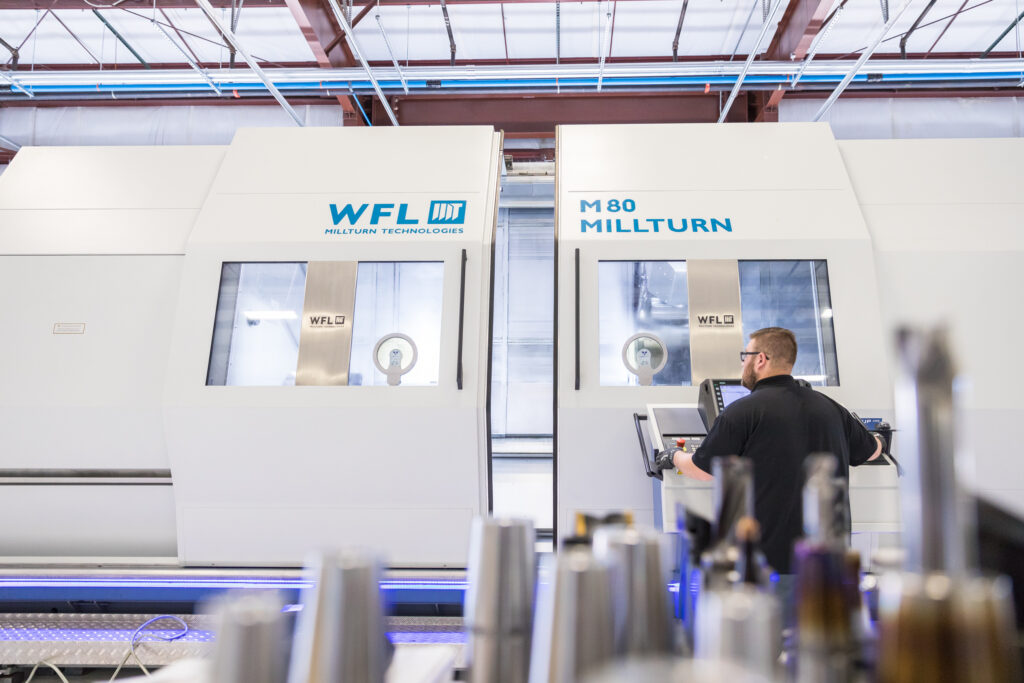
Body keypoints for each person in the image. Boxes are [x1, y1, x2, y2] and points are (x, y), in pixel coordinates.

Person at [655, 326, 885, 575]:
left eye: (746, 357)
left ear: (761, 359)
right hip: (828, 567)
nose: (743, 365)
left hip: (771, 565)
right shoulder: (832, 408)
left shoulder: (741, 413)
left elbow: (703, 470)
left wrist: (672, 456)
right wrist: (882, 438)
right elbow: (871, 450)